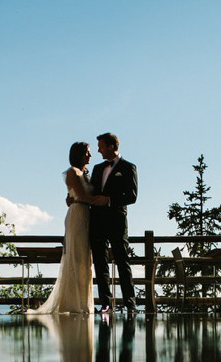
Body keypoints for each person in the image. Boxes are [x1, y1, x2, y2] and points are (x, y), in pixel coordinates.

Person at [28, 142, 109, 314]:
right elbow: (82, 196)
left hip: (87, 215)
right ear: (79, 154)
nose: (90, 155)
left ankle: (83, 302)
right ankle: (73, 303)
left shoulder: (85, 173)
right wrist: (103, 200)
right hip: (78, 216)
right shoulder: (72, 172)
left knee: (85, 260)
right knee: (77, 257)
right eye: (87, 152)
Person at [89, 132, 138, 313]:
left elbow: (132, 196)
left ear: (111, 146)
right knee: (100, 263)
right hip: (97, 222)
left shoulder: (128, 167)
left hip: (117, 221)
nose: (98, 150)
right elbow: (91, 192)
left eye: (101, 146)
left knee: (122, 261)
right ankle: (105, 304)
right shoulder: (97, 168)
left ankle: (130, 304)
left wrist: (109, 200)